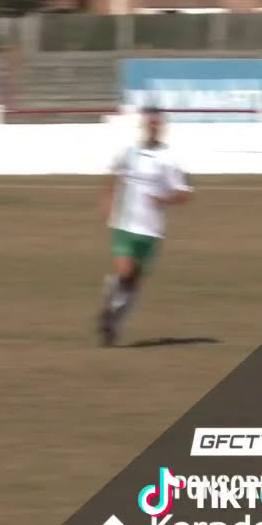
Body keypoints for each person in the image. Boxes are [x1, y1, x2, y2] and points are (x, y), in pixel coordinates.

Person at [97, 107, 193, 346]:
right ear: (143, 126)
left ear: (162, 127)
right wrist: (107, 201)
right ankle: (110, 314)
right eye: (149, 123)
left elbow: (184, 193)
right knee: (126, 273)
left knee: (133, 284)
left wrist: (166, 199)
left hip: (151, 231)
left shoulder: (169, 159)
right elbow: (113, 173)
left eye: (157, 124)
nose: (153, 127)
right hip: (125, 224)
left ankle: (113, 321)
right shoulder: (129, 153)